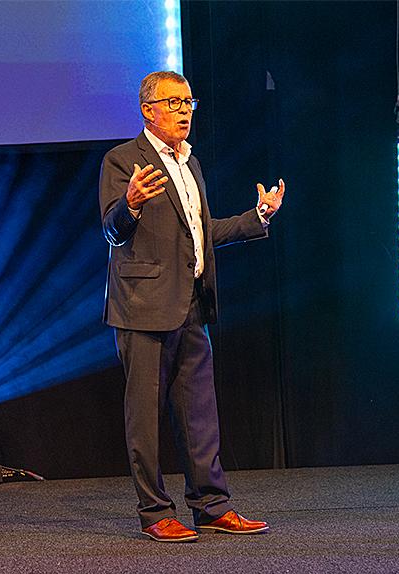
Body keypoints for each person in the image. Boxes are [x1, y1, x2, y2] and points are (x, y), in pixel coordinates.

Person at [99, 71, 285, 542]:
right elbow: (112, 231)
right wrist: (131, 204)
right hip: (142, 308)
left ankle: (210, 504)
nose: (185, 111)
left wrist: (257, 217)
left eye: (189, 102)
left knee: (200, 413)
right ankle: (154, 511)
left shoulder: (190, 163)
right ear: (148, 110)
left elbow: (202, 233)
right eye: (174, 102)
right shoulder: (122, 161)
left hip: (191, 305)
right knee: (145, 417)